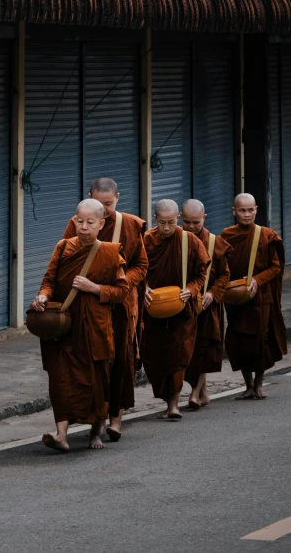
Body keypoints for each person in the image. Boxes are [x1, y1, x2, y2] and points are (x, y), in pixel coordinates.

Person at [31, 199, 129, 452]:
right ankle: (61, 434)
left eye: (90, 222)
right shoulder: (63, 247)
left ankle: (95, 432)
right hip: (63, 327)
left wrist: (93, 288)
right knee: (61, 380)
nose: (84, 227)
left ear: (101, 224)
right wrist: (43, 296)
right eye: (80, 221)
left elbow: (121, 292)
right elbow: (49, 280)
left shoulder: (110, 253)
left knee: (95, 382)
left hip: (95, 328)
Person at [63, 177, 148, 441]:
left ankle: (116, 420)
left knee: (121, 361)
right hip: (88, 306)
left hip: (121, 305)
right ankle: (93, 420)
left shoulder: (132, 225)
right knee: (93, 363)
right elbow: (66, 257)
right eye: (98, 203)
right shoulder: (77, 224)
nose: (103, 210)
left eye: (108, 204)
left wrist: (120, 283)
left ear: (118, 199)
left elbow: (141, 265)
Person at [143, 199, 210, 420]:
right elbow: (136, 269)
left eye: (171, 222)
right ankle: (166, 400)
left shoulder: (189, 240)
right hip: (153, 310)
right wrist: (143, 289)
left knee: (178, 356)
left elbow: (202, 273)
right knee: (155, 358)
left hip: (182, 310)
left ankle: (174, 405)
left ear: (177, 219)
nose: (166, 228)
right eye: (162, 222)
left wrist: (191, 290)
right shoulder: (147, 240)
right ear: (155, 219)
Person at [221, 193, 286, 400]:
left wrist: (257, 280)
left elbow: (275, 267)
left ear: (256, 209)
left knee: (260, 340)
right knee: (238, 340)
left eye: (250, 210)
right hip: (235, 298)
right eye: (242, 210)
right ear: (234, 211)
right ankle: (247, 385)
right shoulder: (227, 235)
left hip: (260, 297)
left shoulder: (267, 235)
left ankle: (258, 384)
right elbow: (221, 265)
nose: (246, 214)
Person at [181, 199, 232, 409]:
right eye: (187, 222)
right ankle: (203, 392)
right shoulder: (177, 239)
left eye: (196, 222)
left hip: (208, 305)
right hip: (183, 304)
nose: (191, 227)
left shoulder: (214, 242)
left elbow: (224, 275)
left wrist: (213, 293)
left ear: (204, 218)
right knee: (187, 351)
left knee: (203, 349)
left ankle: (194, 393)